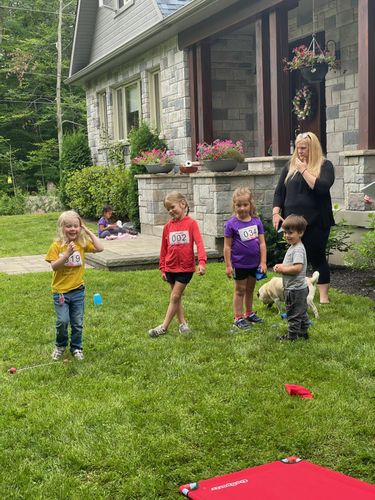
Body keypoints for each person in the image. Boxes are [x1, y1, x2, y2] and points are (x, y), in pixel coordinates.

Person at [272, 131, 335, 304]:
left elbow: (322, 188)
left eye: (304, 148)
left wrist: (303, 170)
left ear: (312, 148)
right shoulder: (289, 166)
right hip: (293, 223)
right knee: (295, 257)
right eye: (298, 148)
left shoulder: (325, 165)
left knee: (317, 256)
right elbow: (279, 192)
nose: (300, 152)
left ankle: (323, 296)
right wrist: (276, 212)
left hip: (317, 221)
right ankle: (297, 292)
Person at [45, 211, 104, 360]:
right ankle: (60, 345)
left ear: (80, 227)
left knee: (77, 322)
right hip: (60, 292)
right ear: (62, 228)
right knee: (63, 321)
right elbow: (54, 267)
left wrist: (88, 231)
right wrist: (66, 254)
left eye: (76, 226)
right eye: (68, 226)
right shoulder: (56, 246)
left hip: (78, 290)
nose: (73, 229)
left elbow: (100, 248)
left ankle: (76, 347)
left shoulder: (81, 244)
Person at [148, 192, 206, 337]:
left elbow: (199, 243)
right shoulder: (168, 227)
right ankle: (183, 324)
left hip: (185, 268)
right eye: (168, 209)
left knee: (174, 297)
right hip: (170, 268)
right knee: (177, 297)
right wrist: (162, 267)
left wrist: (202, 262)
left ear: (183, 204)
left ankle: (163, 326)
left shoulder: (191, 224)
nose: (170, 211)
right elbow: (164, 248)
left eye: (172, 207)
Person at [224, 186, 267, 331]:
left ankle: (249, 313)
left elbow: (262, 243)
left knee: (250, 289)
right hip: (239, 264)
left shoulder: (256, 222)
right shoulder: (231, 224)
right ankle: (238, 317)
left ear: (250, 205)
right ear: (234, 205)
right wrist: (229, 265)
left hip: (254, 263)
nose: (242, 208)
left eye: (245, 205)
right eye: (238, 205)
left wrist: (263, 262)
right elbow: (227, 247)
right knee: (240, 290)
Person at [273, 214, 310, 341]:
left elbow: (297, 268)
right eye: (285, 233)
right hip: (299, 288)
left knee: (293, 313)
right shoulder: (294, 247)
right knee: (301, 312)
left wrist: (283, 269)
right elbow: (291, 264)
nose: (287, 235)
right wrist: (281, 265)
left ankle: (292, 337)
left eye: (290, 233)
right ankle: (303, 332)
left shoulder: (298, 249)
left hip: (295, 289)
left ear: (300, 233)